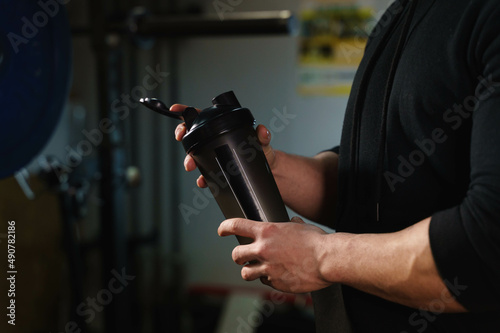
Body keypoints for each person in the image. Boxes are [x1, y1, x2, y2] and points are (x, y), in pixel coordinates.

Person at [172, 0, 500, 331]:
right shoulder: (400, 17)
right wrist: (262, 167)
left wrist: (320, 257)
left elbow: (487, 244)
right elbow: (370, 185)